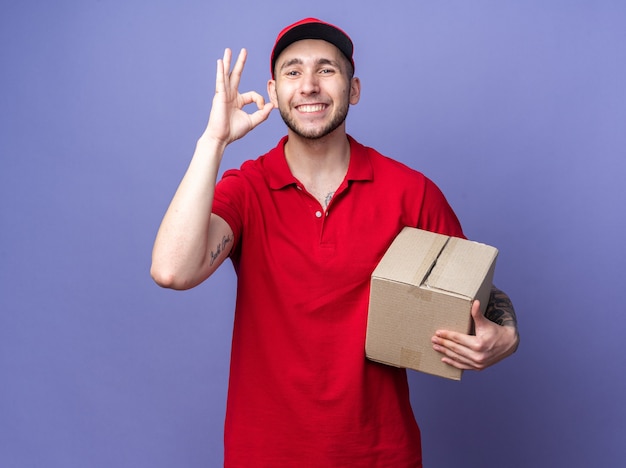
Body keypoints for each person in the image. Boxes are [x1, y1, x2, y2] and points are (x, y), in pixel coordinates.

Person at [151, 17, 519, 467]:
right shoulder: (247, 188)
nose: (309, 85)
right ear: (273, 91)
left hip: (380, 453)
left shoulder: (409, 191)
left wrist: (506, 335)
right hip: (264, 454)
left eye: (326, 69)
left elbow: (478, 291)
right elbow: (172, 270)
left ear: (354, 88)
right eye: (292, 71)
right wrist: (214, 141)